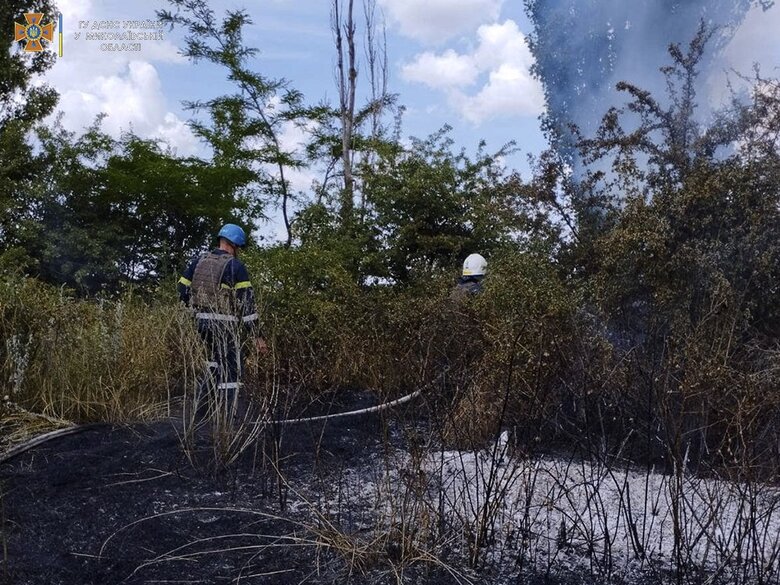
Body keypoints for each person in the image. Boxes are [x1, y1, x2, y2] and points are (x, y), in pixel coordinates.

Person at [177, 223, 267, 415]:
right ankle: (229, 417)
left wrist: (195, 313)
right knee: (232, 369)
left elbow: (182, 291)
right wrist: (257, 336)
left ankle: (200, 412)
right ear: (235, 244)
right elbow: (247, 305)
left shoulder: (198, 261)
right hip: (224, 324)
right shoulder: (235, 266)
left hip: (200, 322)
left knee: (214, 362)